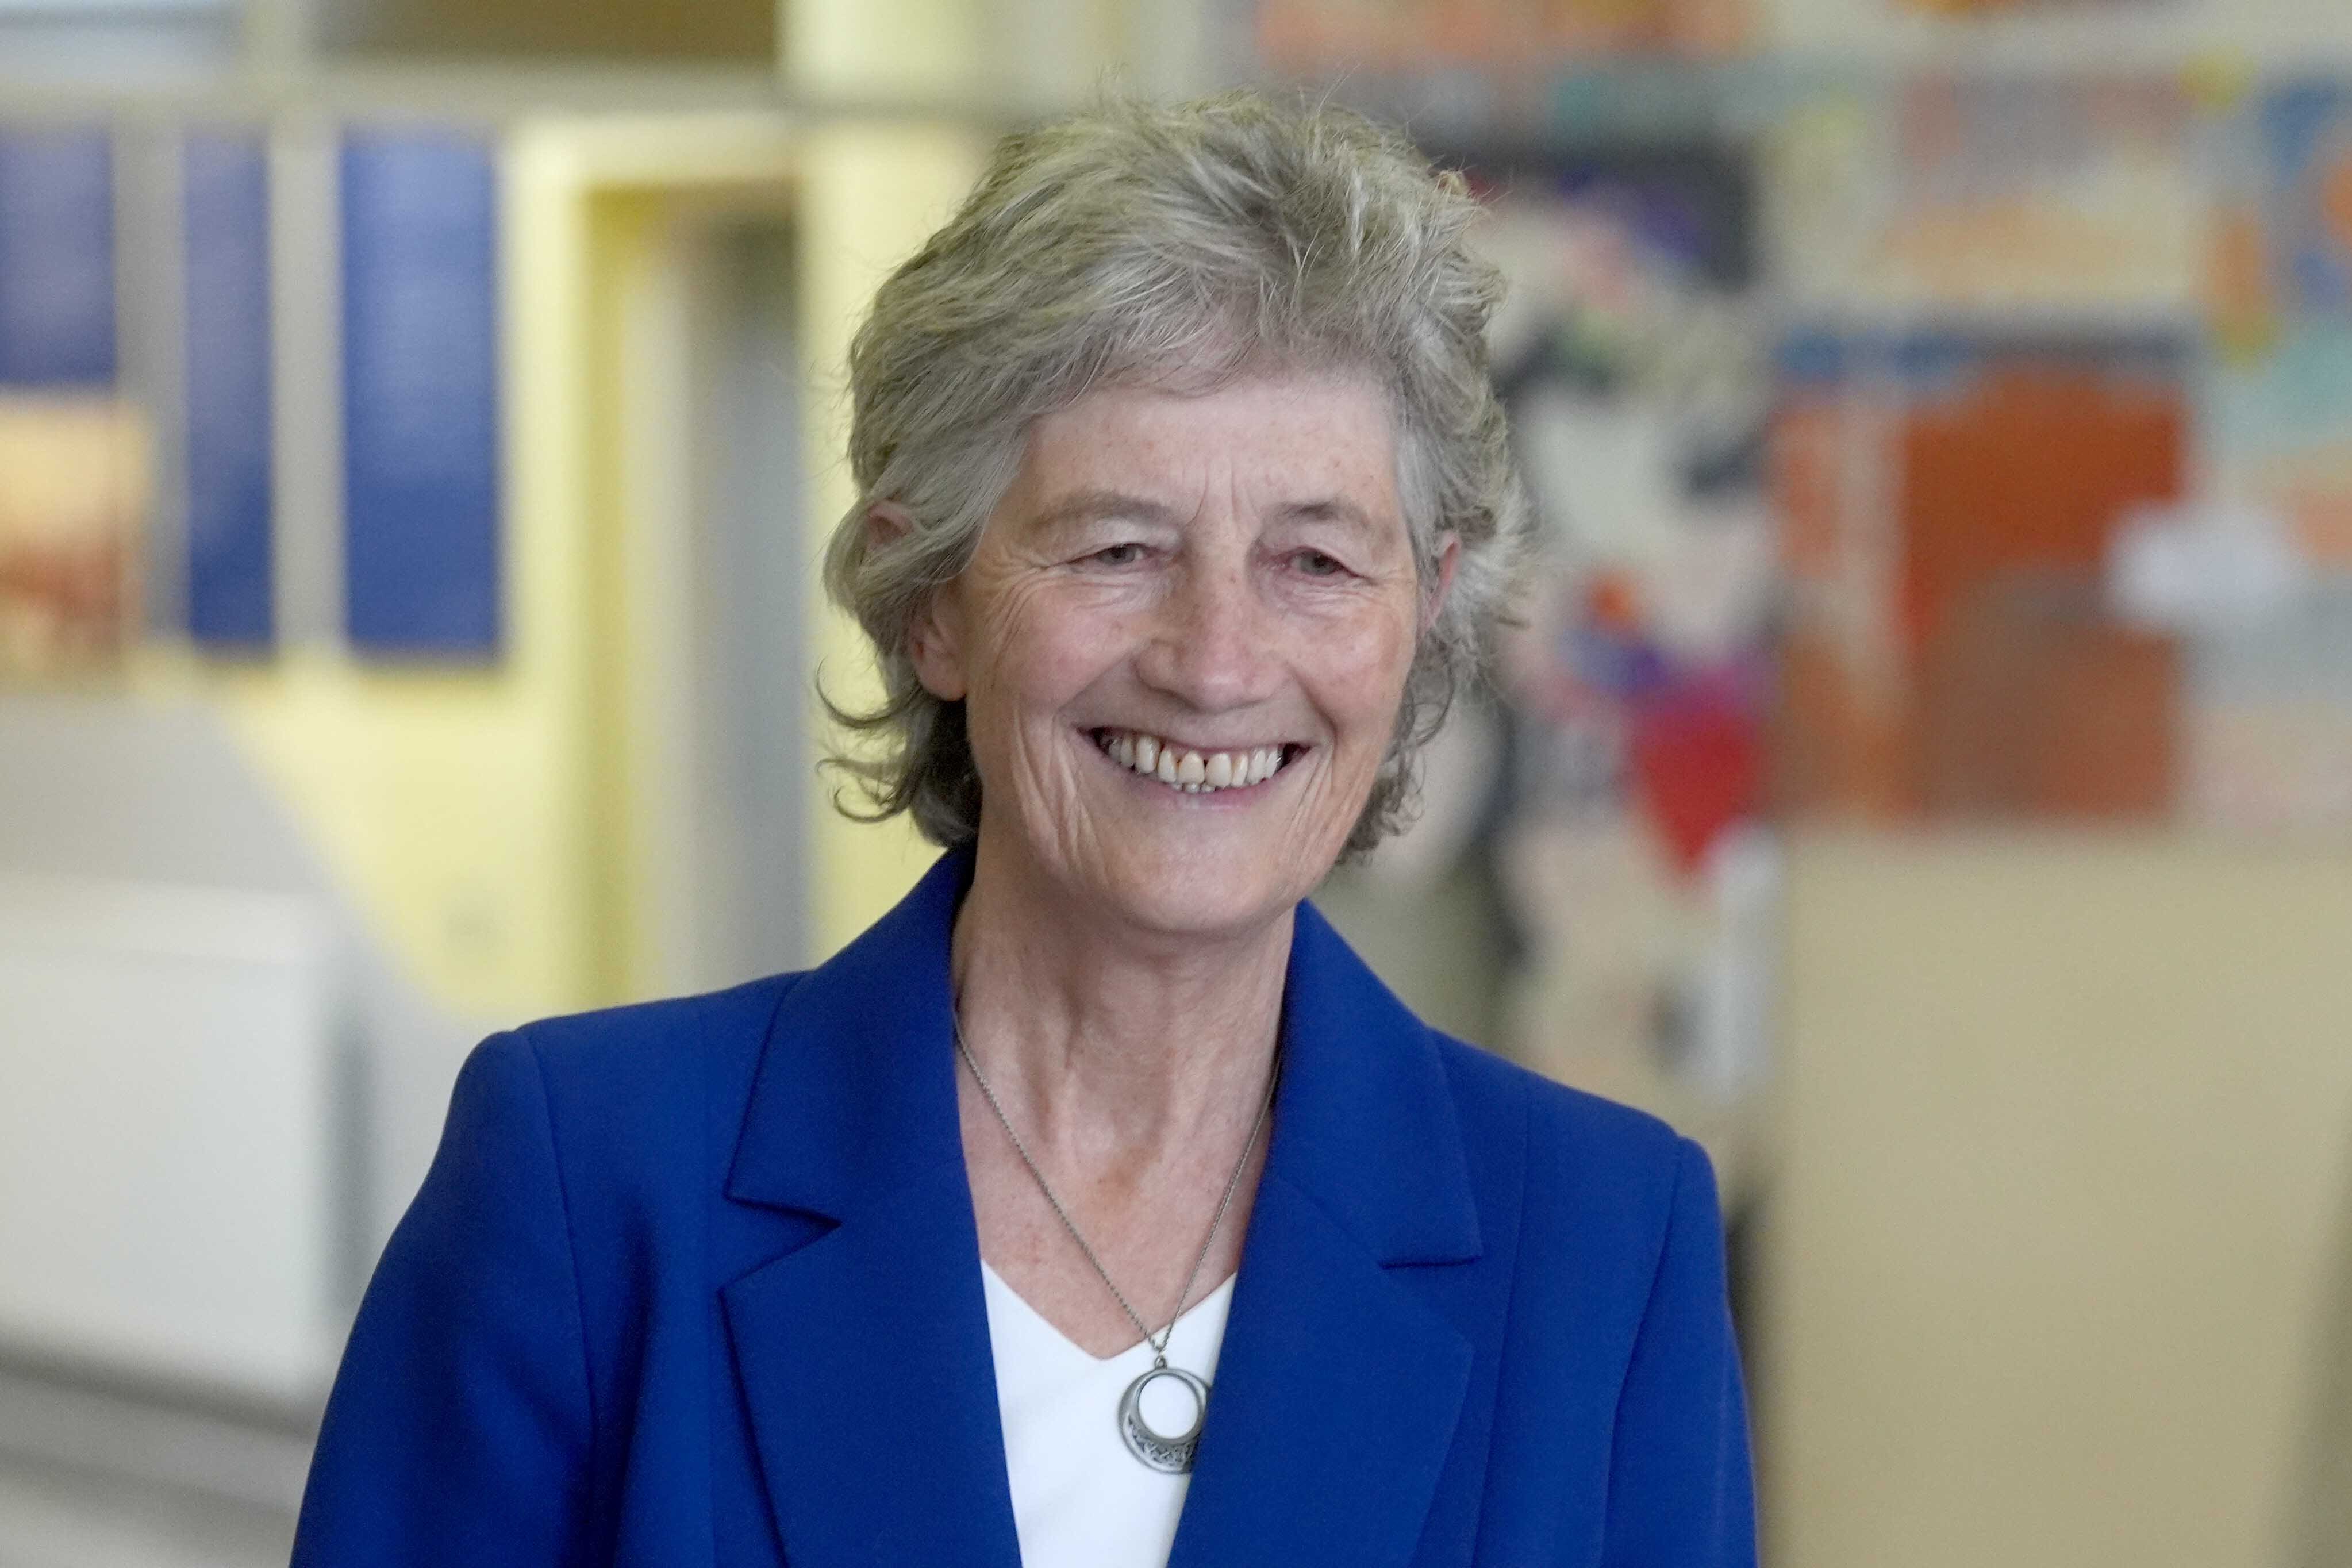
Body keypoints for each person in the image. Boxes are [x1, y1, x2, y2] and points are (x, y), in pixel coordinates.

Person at [290, 93, 1756, 1568]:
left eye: (1314, 557)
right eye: (1120, 548)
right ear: (931, 594)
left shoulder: (1602, 1252)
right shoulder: (591, 1186)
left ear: (1424, 609)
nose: (1217, 660)